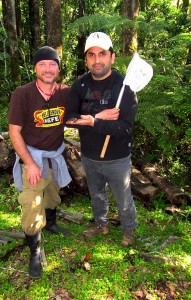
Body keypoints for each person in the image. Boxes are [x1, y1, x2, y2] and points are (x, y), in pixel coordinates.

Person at [66, 32, 138, 247]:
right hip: (89, 155)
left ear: (112, 57)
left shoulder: (124, 86)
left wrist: (92, 122)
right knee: (96, 195)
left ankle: (129, 228)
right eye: (91, 55)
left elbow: (125, 128)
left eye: (102, 54)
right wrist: (97, 118)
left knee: (123, 199)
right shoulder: (79, 85)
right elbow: (69, 120)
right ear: (86, 59)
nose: (97, 60)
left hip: (117, 158)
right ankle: (101, 224)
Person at [8, 46, 72, 279]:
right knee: (31, 202)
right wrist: (30, 163)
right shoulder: (22, 94)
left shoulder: (66, 93)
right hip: (32, 156)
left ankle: (52, 223)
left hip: (55, 155)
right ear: (35, 68)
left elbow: (85, 107)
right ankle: (34, 248)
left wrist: (101, 116)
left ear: (58, 68)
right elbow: (14, 132)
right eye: (42, 64)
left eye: (52, 64)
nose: (48, 69)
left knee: (53, 194)